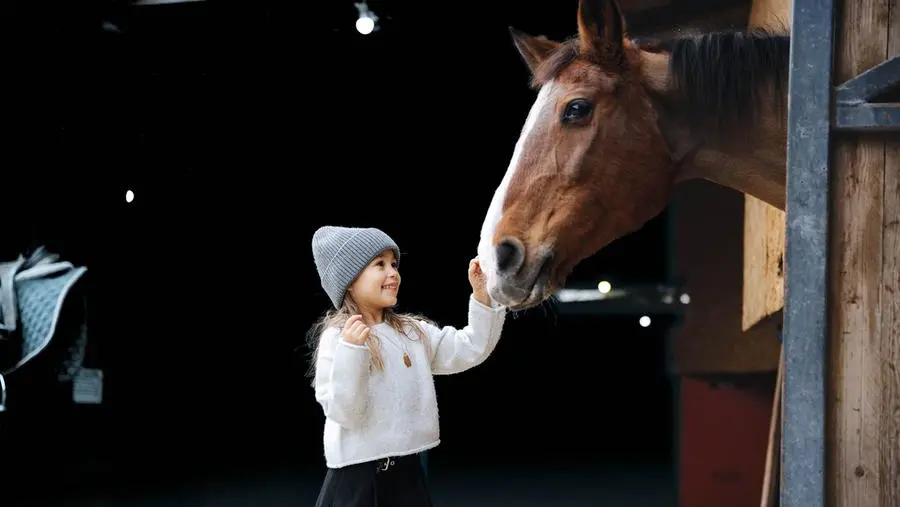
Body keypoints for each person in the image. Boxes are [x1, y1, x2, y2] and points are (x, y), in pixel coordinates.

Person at [307, 225, 507, 507]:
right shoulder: (338, 339)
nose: (393, 273)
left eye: (393, 263)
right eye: (379, 264)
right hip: (357, 480)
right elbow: (344, 412)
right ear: (349, 280)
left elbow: (471, 347)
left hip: (407, 476)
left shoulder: (412, 333)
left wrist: (483, 296)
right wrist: (352, 351)